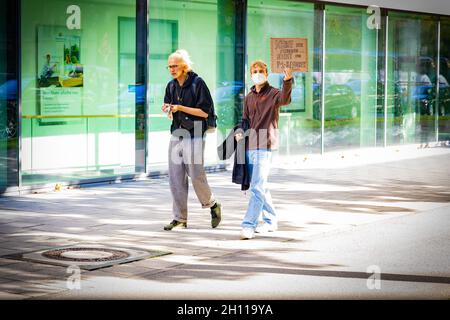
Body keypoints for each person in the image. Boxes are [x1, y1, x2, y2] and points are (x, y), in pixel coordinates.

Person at [162, 49, 222, 231]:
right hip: (177, 133)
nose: (172, 69)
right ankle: (180, 219)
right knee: (175, 177)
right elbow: (169, 109)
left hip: (195, 132)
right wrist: (168, 109)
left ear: (184, 66)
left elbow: (205, 112)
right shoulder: (171, 86)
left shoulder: (198, 83)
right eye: (169, 66)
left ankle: (212, 204)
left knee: (196, 174)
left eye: (175, 66)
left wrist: (180, 107)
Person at [235, 60, 293, 240]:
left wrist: (288, 80)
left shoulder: (274, 93)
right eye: (254, 71)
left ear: (266, 74)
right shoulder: (249, 97)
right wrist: (239, 131)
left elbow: (285, 99)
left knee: (257, 187)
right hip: (250, 144)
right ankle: (270, 221)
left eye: (261, 71)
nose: (257, 73)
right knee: (261, 186)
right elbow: (245, 119)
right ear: (250, 74)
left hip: (265, 144)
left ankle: (248, 225)